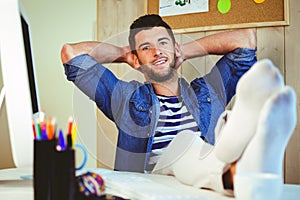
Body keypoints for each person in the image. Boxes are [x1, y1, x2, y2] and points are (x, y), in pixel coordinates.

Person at [61, 14, 257, 181]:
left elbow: (246, 40)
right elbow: (71, 54)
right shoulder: (125, 99)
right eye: (146, 47)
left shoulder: (207, 93)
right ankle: (228, 171)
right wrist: (123, 54)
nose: (157, 52)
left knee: (193, 150)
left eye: (163, 43)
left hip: (199, 191)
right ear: (136, 59)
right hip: (151, 191)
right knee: (185, 144)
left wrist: (182, 52)